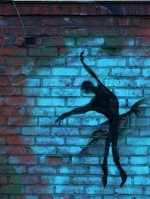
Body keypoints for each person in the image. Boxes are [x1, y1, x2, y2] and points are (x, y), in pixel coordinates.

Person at [55, 53, 141, 187]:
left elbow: (92, 74)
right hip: (113, 122)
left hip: (114, 123)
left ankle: (117, 174)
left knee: (111, 150)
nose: (86, 92)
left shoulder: (99, 93)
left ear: (88, 88)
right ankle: (113, 174)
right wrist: (66, 114)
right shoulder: (97, 95)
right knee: (109, 151)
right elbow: (80, 109)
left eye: (85, 90)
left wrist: (84, 64)